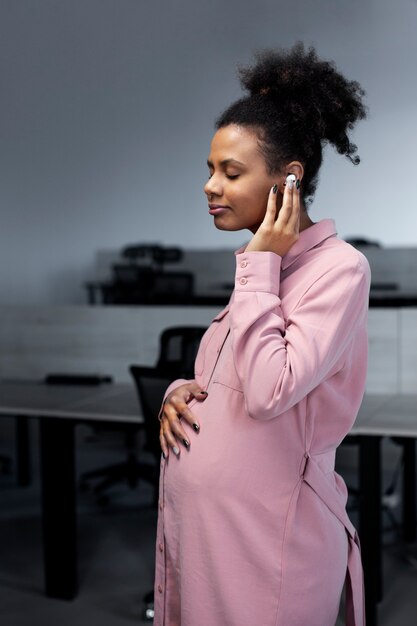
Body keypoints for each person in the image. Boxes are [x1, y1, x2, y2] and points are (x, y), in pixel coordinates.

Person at [154, 43, 369, 626]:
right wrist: (181, 391)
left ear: (288, 178)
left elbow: (273, 389)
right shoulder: (264, 266)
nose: (209, 186)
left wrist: (259, 267)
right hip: (209, 542)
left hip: (268, 547)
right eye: (209, 169)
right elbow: (229, 377)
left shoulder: (337, 269)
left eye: (231, 172)